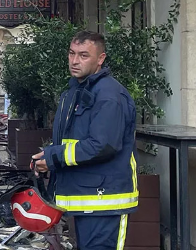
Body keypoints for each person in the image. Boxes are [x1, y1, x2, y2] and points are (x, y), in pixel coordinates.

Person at [31, 31, 138, 250]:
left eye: (83, 55)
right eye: (72, 53)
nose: (74, 61)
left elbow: (102, 145)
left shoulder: (109, 94)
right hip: (87, 196)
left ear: (101, 59)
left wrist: (54, 157)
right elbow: (73, 141)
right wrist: (47, 158)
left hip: (105, 200)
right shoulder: (77, 91)